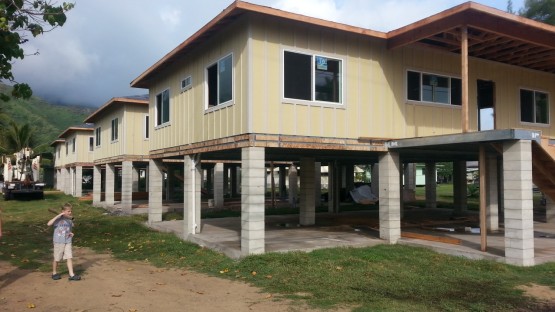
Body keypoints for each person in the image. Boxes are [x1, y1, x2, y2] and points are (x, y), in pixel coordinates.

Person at [47, 203, 80, 281]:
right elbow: (49, 224)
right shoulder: (58, 220)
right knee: (57, 258)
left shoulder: (69, 220)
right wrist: (58, 216)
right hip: (58, 242)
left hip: (68, 241)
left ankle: (71, 275)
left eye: (71, 211)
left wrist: (71, 233)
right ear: (63, 211)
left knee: (69, 257)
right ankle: (54, 273)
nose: (70, 212)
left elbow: (70, 229)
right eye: (68, 211)